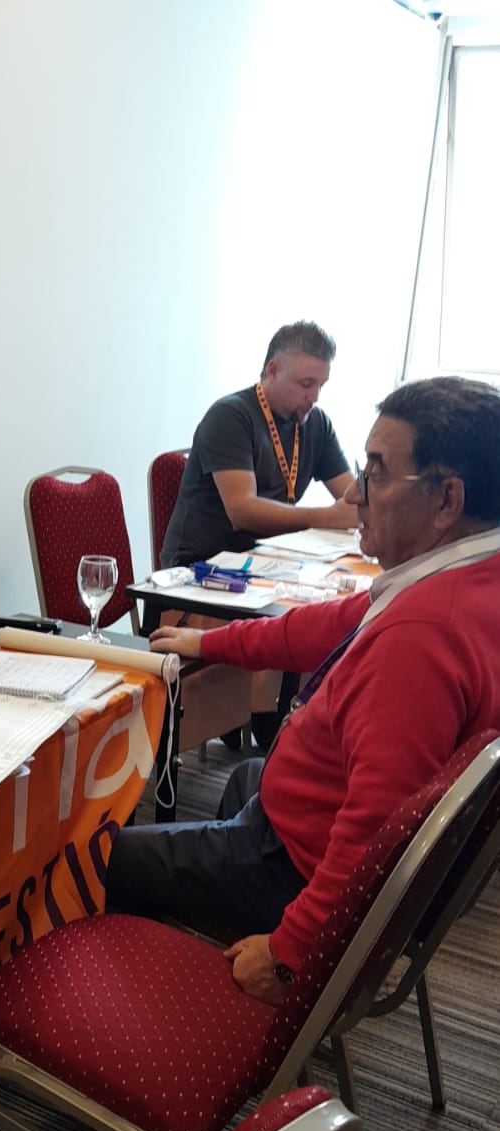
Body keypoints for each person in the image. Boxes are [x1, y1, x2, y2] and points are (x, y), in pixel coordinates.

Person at [107, 375, 500, 1004]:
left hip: (297, 868)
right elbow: (323, 627)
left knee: (101, 858)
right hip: (307, 825)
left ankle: (150, 1004)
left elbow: (376, 830)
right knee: (250, 777)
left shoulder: (423, 635)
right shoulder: (466, 578)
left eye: (376, 470)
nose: (357, 493)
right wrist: (209, 644)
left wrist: (288, 953)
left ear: (447, 500)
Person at [160, 320, 355, 752]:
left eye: (321, 385)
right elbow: (242, 510)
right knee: (300, 623)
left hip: (268, 565)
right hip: (203, 571)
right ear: (272, 370)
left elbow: (351, 495)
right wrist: (326, 517)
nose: (314, 396)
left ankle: (288, 722)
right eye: (305, 384)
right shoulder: (231, 416)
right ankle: (272, 726)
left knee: (326, 612)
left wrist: (372, 496)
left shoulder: (315, 423)